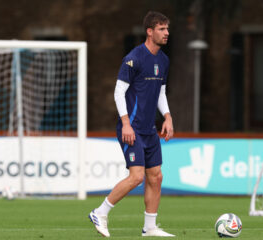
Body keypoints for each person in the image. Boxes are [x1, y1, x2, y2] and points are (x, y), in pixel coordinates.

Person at [88, 11, 174, 238]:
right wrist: (126, 123)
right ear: (150, 31)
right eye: (162, 29)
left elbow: (161, 92)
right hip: (132, 128)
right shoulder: (134, 57)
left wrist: (167, 116)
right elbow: (118, 92)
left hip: (149, 129)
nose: (167, 33)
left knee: (156, 176)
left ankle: (150, 227)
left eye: (167, 29)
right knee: (137, 177)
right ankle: (100, 212)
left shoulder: (163, 60)